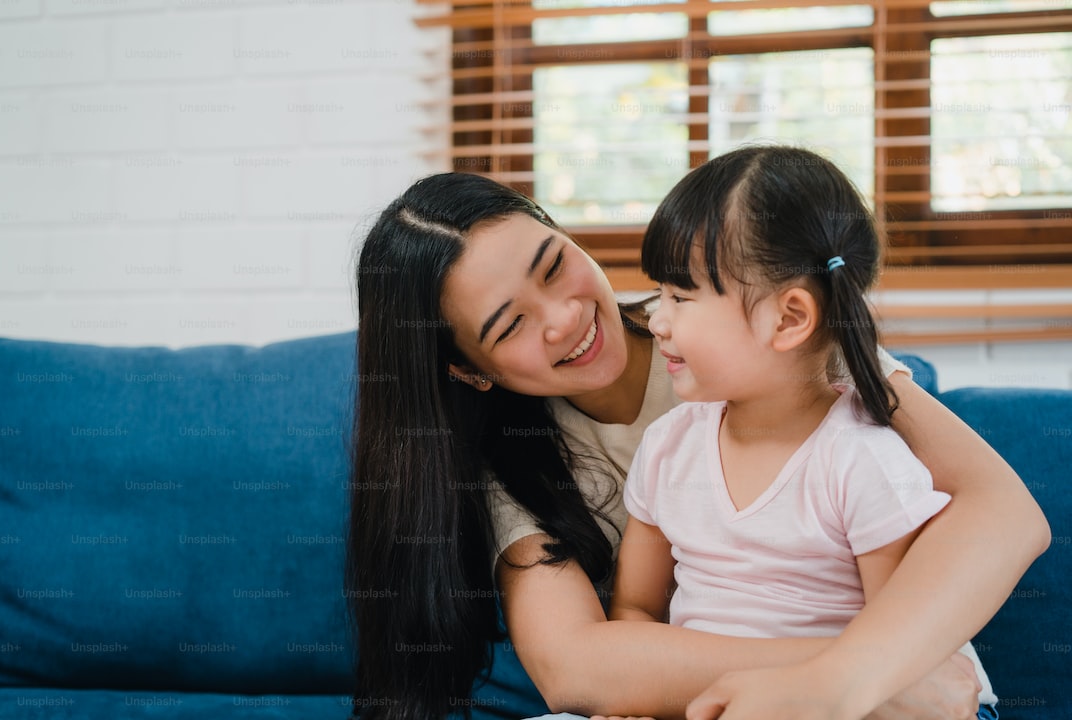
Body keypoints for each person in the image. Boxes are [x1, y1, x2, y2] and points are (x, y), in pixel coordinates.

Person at [347, 164, 1050, 720]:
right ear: (469, 369)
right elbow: (577, 669)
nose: (564, 317)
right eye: (509, 326)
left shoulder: (759, 335)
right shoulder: (513, 464)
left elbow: (1005, 513)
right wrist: (861, 677)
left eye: (553, 264)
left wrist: (852, 680)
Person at [606, 146, 1001, 720]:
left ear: (788, 319)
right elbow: (636, 610)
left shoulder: (860, 460)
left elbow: (902, 653)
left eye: (681, 297)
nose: (657, 320)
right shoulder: (667, 447)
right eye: (659, 294)